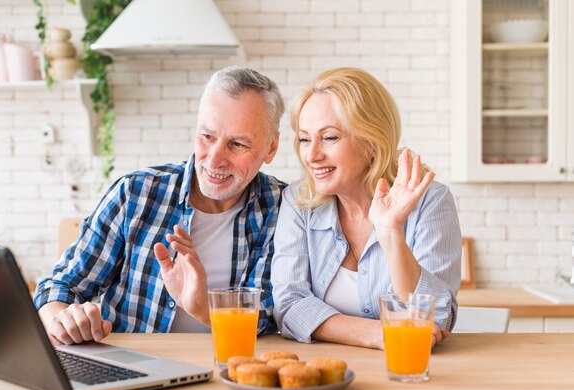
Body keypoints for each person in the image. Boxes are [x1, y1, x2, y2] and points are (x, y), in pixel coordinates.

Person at [34, 66, 285, 345]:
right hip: (133, 367)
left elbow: (266, 315)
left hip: (230, 369)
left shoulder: (280, 208)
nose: (214, 160)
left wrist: (203, 309)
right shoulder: (136, 194)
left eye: (237, 144)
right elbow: (59, 286)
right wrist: (64, 320)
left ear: (271, 147)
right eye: (207, 137)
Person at [271, 67, 461, 350]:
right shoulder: (298, 202)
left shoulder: (430, 202)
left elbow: (435, 318)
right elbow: (289, 304)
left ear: (371, 141)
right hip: (325, 373)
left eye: (330, 137)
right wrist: (377, 334)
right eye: (304, 139)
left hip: (408, 371)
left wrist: (389, 232)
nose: (311, 155)